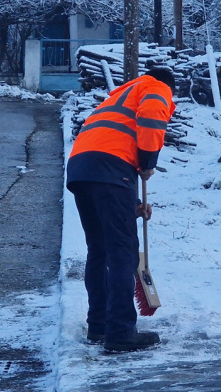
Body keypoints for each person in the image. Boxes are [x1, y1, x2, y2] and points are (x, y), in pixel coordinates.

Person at [66, 68, 177, 353]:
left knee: (100, 249)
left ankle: (100, 326)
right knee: (122, 250)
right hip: (111, 168)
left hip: (82, 168)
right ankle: (120, 331)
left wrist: (132, 206)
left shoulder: (116, 100)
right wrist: (148, 161)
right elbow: (152, 115)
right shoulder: (156, 87)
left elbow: (109, 143)